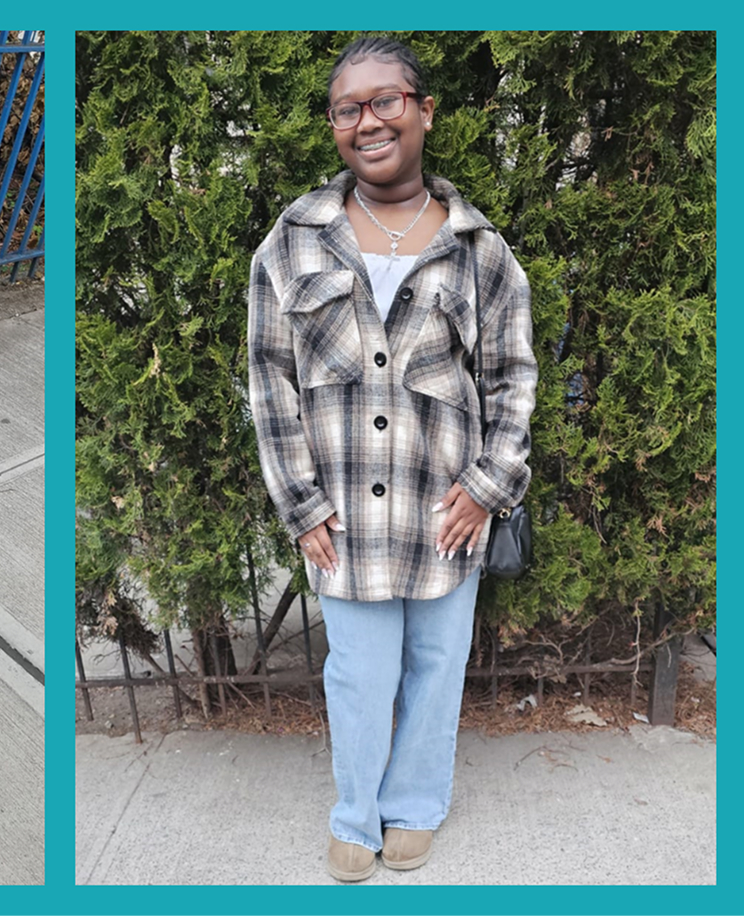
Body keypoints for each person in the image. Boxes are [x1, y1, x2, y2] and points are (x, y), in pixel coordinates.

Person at [247, 36, 537, 882]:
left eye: (386, 101)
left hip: (448, 511)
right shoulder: (293, 241)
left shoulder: (479, 249)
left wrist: (487, 486)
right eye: (349, 108)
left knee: (438, 665)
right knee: (359, 673)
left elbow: (513, 377)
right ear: (334, 125)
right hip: (344, 518)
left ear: (424, 111)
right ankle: (355, 814)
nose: (368, 121)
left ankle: (414, 806)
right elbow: (269, 381)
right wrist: (300, 503)